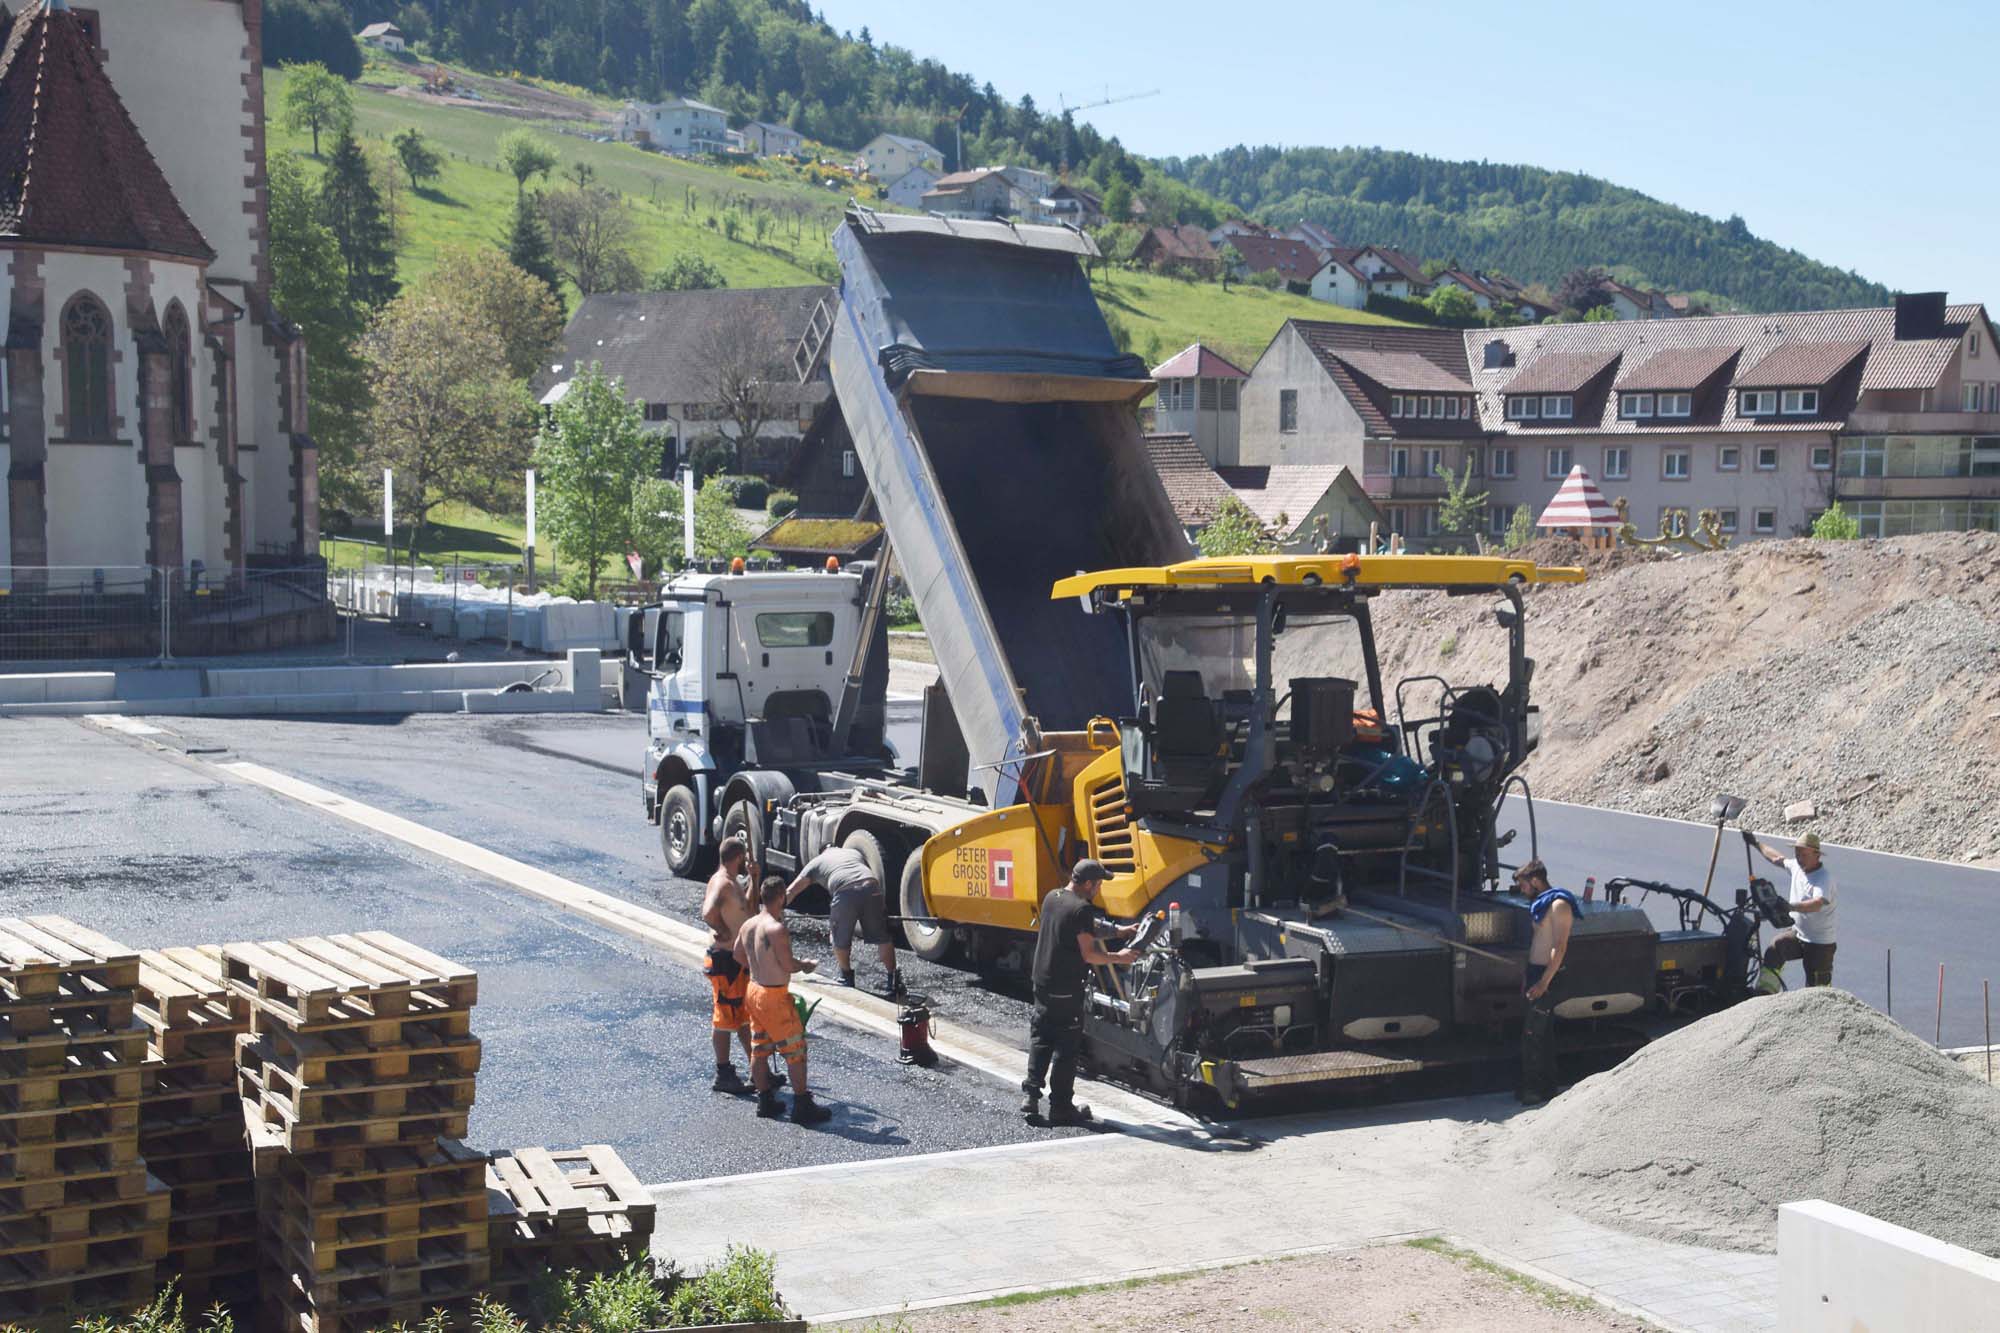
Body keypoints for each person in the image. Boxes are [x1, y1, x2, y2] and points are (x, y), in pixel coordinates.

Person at [1020, 860, 1141, 1126]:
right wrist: (1120, 958)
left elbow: (1079, 927)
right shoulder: (1082, 909)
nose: (1098, 889)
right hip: (1066, 988)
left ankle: (1030, 1096)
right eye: (1098, 884)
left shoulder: (1054, 897)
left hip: (1041, 982)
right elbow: (1088, 953)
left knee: (1041, 1037)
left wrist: (1118, 931)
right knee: (1066, 1047)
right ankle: (1061, 1107)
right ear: (1087, 884)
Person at [733, 877, 832, 1124]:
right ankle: (802, 1105)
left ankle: (764, 1100)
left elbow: (737, 954)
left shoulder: (749, 924)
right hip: (774, 996)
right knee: (795, 1050)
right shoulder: (776, 929)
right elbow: (787, 964)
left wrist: (759, 966)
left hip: (753, 990)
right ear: (780, 898)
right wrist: (805, 966)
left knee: (760, 1047)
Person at [700, 837, 778, 1094]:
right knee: (724, 1018)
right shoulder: (722, 883)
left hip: (737, 960)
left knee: (744, 1017)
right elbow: (708, 912)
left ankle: (759, 1072)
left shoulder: (734, 883)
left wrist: (755, 879)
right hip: (724, 961)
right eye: (745, 858)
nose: (747, 862)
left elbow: (750, 908)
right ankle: (724, 1073)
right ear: (738, 858)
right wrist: (722, 930)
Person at [786, 845, 901, 997]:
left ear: (823, 851)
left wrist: (773, 913)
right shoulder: (853, 853)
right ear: (835, 848)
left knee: (838, 937)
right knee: (882, 937)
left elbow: (792, 891)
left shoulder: (817, 861)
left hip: (845, 891)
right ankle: (892, 980)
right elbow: (863, 875)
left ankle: (846, 976)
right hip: (871, 886)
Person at [1513, 859, 1579, 1107]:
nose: (1522, 890)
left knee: (1533, 1033)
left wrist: (1543, 983)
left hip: (1547, 976)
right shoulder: (1542, 905)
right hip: (1535, 972)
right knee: (1543, 1032)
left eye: (1524, 885)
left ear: (1536, 881)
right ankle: (1547, 1086)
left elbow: (1559, 947)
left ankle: (1534, 1089)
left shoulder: (1560, 905)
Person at [1747, 829, 1837, 988]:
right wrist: (1756, 843)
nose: (1800, 859)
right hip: (1799, 934)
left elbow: (1817, 904)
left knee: (1816, 988)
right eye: (1797, 854)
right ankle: (1764, 994)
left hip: (1820, 943)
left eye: (1804, 855)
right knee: (1775, 949)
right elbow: (1776, 858)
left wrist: (1789, 907)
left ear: (1817, 855)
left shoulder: (1823, 878)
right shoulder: (1796, 866)